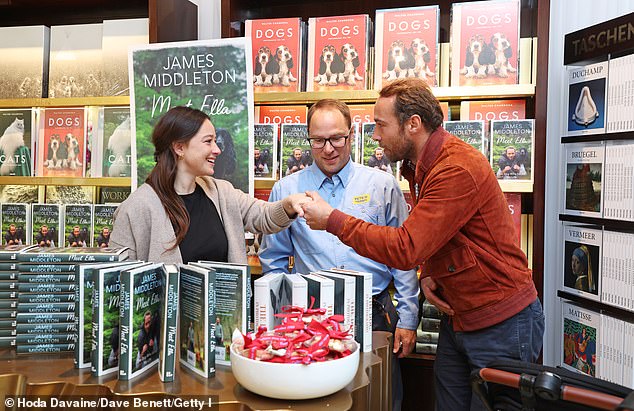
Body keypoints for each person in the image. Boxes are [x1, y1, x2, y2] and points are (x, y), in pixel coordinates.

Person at [301, 78, 544, 411]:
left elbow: (406, 247)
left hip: (500, 321)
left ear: (412, 124)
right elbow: (442, 230)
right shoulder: (421, 165)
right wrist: (431, 270)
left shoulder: (455, 167)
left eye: (380, 125)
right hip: (460, 318)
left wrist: (332, 220)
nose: (374, 136)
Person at [259, 99, 419, 411]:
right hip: (311, 316)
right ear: (307, 138)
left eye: (337, 138)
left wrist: (409, 318)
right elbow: (274, 261)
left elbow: (404, 256)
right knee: (319, 403)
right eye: (318, 140)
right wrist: (281, 321)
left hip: (375, 314)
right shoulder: (287, 190)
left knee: (377, 399)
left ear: (352, 135)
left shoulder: (381, 185)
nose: (328, 149)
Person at [110, 106, 311, 264]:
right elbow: (117, 280)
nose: (217, 149)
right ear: (179, 147)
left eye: (215, 141)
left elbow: (264, 217)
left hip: (224, 317)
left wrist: (288, 205)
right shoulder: (135, 209)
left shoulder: (221, 192)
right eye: (208, 141)